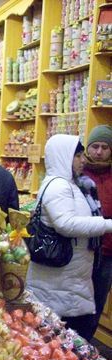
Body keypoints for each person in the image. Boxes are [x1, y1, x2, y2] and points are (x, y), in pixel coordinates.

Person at [26, 134, 112, 341]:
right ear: (64, 156)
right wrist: (108, 225)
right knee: (61, 337)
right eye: (78, 155)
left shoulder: (71, 184)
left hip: (69, 276)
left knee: (64, 336)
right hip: (61, 277)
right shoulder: (59, 186)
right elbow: (66, 224)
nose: (84, 160)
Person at [81, 125, 112, 337]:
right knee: (78, 302)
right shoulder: (78, 172)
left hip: (108, 253)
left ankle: (87, 343)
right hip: (82, 251)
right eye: (94, 146)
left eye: (104, 147)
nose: (99, 152)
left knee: (97, 302)